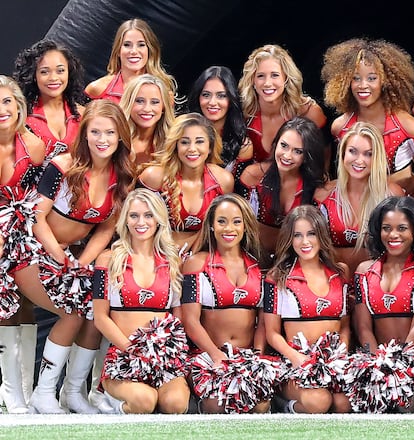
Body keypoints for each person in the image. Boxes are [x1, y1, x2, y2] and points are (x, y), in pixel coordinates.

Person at [16, 99, 136, 414]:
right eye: (95, 132)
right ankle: (43, 394)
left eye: (110, 132)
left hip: (70, 257)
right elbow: (37, 216)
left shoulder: (121, 175)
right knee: (71, 312)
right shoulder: (63, 166)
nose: (102, 139)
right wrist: (58, 255)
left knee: (96, 310)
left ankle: (72, 393)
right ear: (84, 135)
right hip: (29, 246)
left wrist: (83, 263)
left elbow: (106, 228)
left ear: (121, 136)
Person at [90, 188, 189, 414]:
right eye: (134, 216)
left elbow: (177, 315)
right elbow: (100, 317)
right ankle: (110, 402)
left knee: (175, 404)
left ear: (158, 220)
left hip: (162, 357)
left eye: (148, 215)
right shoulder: (108, 258)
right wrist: (132, 350)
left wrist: (169, 351)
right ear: (125, 220)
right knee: (144, 401)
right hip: (125, 357)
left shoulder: (172, 261)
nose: (140, 222)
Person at [181, 193, 275, 414]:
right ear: (212, 225)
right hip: (208, 356)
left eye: (236, 221)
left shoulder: (258, 265)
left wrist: (257, 357)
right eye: (221, 221)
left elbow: (262, 322)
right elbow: (190, 321)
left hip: (246, 356)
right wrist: (215, 354)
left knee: (259, 405)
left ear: (245, 226)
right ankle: (199, 403)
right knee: (220, 405)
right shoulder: (196, 264)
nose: (229, 228)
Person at [353, 195, 414, 413]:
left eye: (402, 228)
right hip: (376, 361)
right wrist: (377, 367)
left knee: (408, 406)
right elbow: (363, 328)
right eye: (386, 228)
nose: (393, 235)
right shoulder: (364, 272)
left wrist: (401, 365)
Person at [263, 205, 351, 414]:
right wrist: (296, 358)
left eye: (311, 234)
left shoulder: (340, 272)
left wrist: (341, 352)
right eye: (297, 235)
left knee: (344, 403)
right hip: (295, 363)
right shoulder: (277, 277)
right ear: (289, 239)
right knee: (319, 401)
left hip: (332, 362)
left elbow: (345, 326)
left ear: (321, 235)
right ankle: (283, 405)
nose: (305, 242)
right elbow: (272, 333)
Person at [321, 38, 414, 197]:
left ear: (385, 81)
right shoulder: (340, 127)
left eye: (371, 78)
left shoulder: (408, 125)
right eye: (356, 78)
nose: (363, 85)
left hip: (400, 209)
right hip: (357, 208)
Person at [0, 75, 46, 414]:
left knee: (23, 305)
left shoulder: (33, 146)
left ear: (19, 106)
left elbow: (36, 199)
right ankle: (10, 390)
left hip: (21, 232)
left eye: (6, 101)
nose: (1, 109)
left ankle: (25, 390)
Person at [315, 122, 404, 278]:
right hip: (333, 285)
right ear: (343, 153)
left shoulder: (391, 195)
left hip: (376, 285)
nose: (359, 160)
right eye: (353, 151)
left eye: (368, 154)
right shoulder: (323, 194)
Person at [137, 112, 234, 254]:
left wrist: (196, 240)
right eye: (184, 142)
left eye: (200, 141)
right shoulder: (154, 177)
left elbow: (223, 226)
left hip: (202, 253)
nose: (192, 148)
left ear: (210, 147)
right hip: (155, 251)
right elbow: (135, 221)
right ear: (175, 145)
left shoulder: (223, 181)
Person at [236, 116, 326, 260]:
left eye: (298, 151)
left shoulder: (317, 188)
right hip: (252, 257)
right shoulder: (252, 177)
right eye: (284, 146)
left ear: (307, 156)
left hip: (294, 261)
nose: (287, 155)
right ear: (275, 144)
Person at [238, 44, 326, 162]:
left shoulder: (309, 112)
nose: (267, 83)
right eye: (260, 76)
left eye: (275, 75)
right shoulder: (244, 114)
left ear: (286, 79)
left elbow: (323, 155)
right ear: (252, 81)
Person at [14, 39, 89, 164]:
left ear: (69, 73)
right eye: (44, 72)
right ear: (33, 76)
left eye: (60, 71)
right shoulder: (20, 116)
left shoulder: (85, 115)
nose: (53, 78)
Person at [84, 18, 177, 104]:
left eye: (141, 45)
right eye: (127, 45)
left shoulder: (164, 93)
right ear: (118, 51)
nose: (133, 51)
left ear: (150, 50)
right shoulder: (97, 89)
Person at [187, 65, 253, 183]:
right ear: (198, 97)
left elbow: (237, 195)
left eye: (221, 96)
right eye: (206, 95)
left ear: (231, 99)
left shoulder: (243, 145)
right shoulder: (183, 132)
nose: (212, 102)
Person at [119, 73, 175, 168]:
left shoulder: (174, 141)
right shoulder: (116, 137)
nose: (147, 109)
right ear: (129, 103)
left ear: (163, 107)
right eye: (139, 101)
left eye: (155, 102)